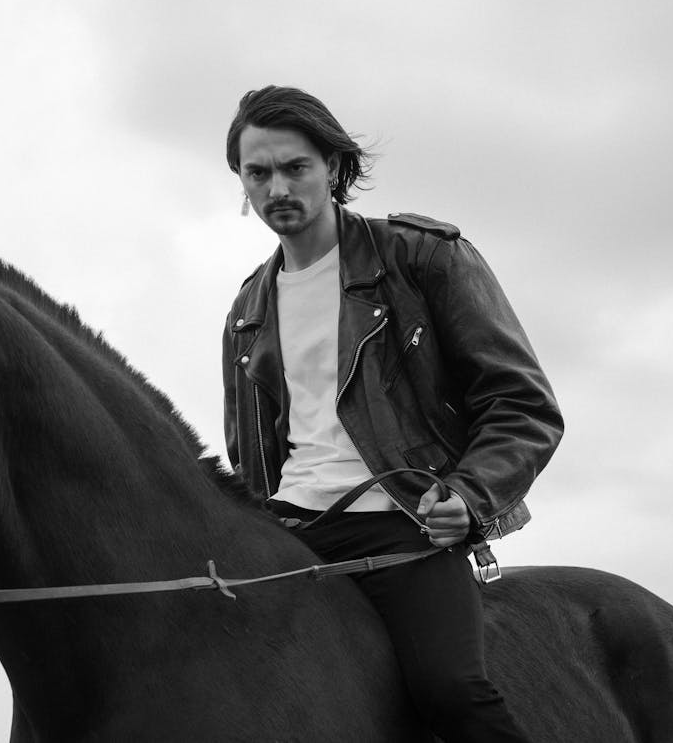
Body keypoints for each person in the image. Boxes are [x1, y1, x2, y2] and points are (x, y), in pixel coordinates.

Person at [221, 86, 563, 743]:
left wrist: (467, 495)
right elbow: (250, 457)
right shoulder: (247, 313)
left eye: (296, 167)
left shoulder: (420, 256)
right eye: (257, 173)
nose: (277, 188)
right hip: (291, 536)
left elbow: (524, 404)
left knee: (449, 691)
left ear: (335, 168)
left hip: (403, 527)